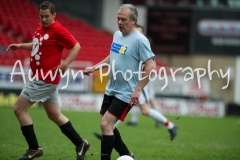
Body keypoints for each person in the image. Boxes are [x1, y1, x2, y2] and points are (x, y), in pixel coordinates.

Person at [6, 1, 90, 160]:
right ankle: (80, 144)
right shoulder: (40, 27)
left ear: (54, 15)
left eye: (47, 17)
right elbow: (38, 45)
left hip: (44, 79)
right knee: (55, 115)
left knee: (19, 109)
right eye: (41, 16)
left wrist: (65, 64)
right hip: (46, 79)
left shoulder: (57, 29)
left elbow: (76, 46)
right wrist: (20, 46)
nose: (44, 19)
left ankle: (34, 148)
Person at [83, 4, 155, 160]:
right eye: (118, 19)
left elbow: (151, 67)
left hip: (127, 92)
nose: (120, 22)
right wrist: (95, 67)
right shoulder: (117, 35)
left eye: (124, 20)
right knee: (106, 123)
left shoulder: (140, 41)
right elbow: (112, 56)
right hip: (112, 88)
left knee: (105, 125)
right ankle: (126, 155)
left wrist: (138, 90)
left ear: (133, 21)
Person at [94, 24, 178, 142]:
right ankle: (108, 130)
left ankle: (170, 125)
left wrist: (141, 84)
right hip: (130, 84)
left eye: (139, 32)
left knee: (144, 109)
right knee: (124, 109)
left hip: (139, 85)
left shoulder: (143, 46)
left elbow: (150, 67)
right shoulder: (131, 44)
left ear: (143, 34)